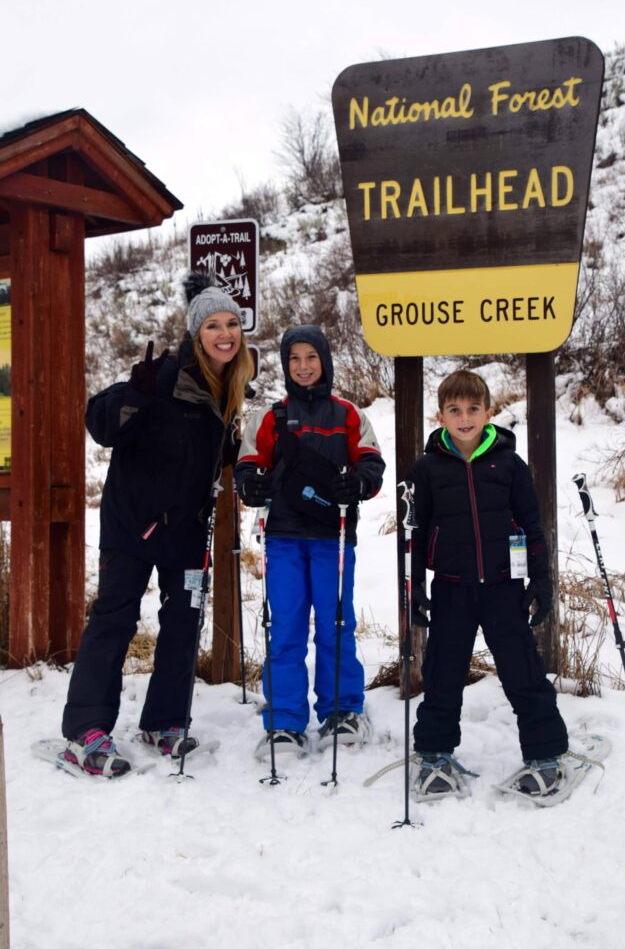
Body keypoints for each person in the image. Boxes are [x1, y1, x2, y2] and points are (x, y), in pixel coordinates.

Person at [61, 273, 254, 777]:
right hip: (134, 525)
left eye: (232, 323)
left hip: (186, 532)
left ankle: (165, 721)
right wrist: (135, 395)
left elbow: (216, 454)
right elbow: (102, 425)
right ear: (196, 333)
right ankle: (85, 730)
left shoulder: (231, 387)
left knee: (184, 623)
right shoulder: (163, 375)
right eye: (213, 325)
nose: (225, 334)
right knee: (115, 619)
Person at [407, 369, 568, 801]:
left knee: (522, 671)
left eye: (473, 409)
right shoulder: (427, 468)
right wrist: (414, 586)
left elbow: (532, 525)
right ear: (440, 415)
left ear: (489, 412)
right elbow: (415, 533)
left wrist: (541, 579)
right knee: (442, 674)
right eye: (454, 410)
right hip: (451, 589)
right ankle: (434, 756)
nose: (465, 418)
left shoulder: (509, 465)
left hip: (502, 588)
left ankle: (546, 756)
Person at [235, 325, 385, 759]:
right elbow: (248, 465)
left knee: (337, 625)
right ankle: (284, 720)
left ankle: (342, 711)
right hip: (282, 539)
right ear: (286, 365)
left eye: (311, 357)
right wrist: (250, 485)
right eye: (294, 359)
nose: (303, 367)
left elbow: (372, 465)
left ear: (325, 361)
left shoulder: (349, 415)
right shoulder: (270, 418)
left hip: (332, 538)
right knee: (285, 628)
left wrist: (358, 484)